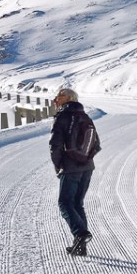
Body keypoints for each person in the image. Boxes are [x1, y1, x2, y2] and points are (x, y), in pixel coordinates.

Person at [49, 86, 101, 255]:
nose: (55, 99)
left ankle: (80, 234)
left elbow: (55, 145)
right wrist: (86, 159)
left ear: (67, 99)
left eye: (58, 96)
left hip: (70, 168)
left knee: (65, 203)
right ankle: (81, 247)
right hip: (87, 167)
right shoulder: (85, 116)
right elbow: (96, 144)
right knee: (77, 204)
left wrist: (59, 165)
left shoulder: (62, 117)